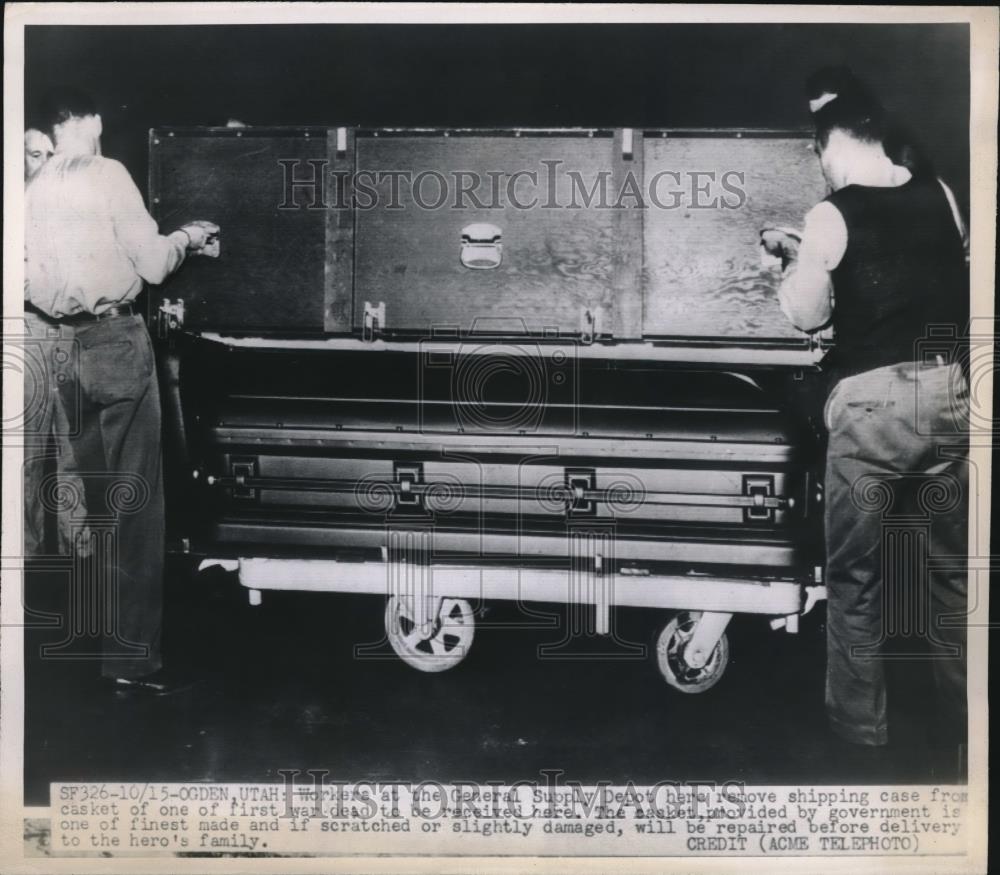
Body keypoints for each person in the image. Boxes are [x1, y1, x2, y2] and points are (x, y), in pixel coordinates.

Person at [765, 80, 969, 753]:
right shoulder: (941, 194)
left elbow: (809, 315)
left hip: (872, 404)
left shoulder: (831, 211)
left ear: (830, 148)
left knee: (856, 578)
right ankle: (966, 725)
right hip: (947, 394)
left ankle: (860, 736)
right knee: (951, 572)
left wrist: (792, 259)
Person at [25, 88, 220, 695]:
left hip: (60, 352)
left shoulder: (32, 186)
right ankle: (130, 662)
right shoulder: (107, 174)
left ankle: (77, 643)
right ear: (93, 120)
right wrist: (190, 235)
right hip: (114, 344)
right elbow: (155, 264)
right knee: (136, 508)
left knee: (94, 503)